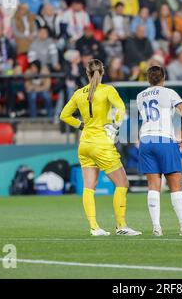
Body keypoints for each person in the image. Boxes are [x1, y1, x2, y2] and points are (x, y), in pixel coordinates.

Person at [60, 59, 141, 236]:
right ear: (102, 72)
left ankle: (94, 227)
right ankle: (121, 226)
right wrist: (115, 125)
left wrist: (80, 125)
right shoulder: (107, 90)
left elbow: (64, 115)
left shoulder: (79, 93)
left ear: (86, 73)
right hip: (102, 143)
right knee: (122, 183)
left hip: (85, 144)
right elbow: (120, 108)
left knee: (89, 186)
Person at [136, 65, 182, 236]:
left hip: (145, 140)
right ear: (163, 78)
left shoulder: (140, 96)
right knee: (176, 186)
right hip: (164, 140)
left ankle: (156, 227)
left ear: (148, 79)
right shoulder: (170, 93)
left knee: (153, 186)